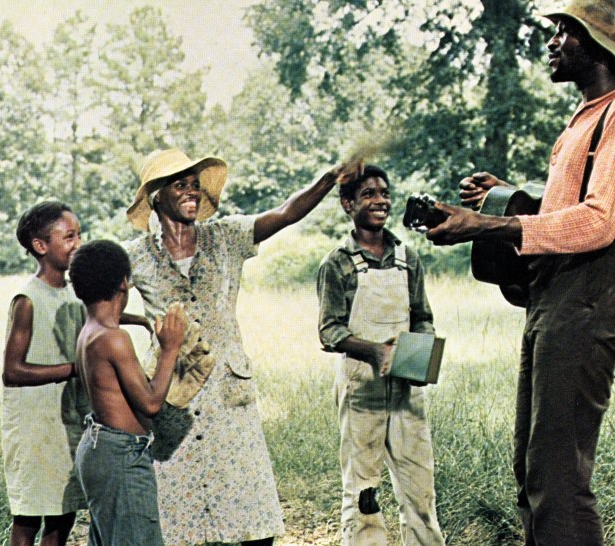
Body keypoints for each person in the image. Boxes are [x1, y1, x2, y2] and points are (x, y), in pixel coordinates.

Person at [425, 2, 615, 544]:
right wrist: (513, 198)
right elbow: (568, 207)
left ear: (598, 44)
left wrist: (486, 225)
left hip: (585, 306)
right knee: (533, 472)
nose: (553, 41)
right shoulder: (585, 117)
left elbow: (600, 221)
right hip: (550, 302)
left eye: (566, 31)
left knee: (558, 477)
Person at [123, 147, 347, 546]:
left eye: (195, 185)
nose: (191, 192)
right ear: (157, 197)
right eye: (180, 185)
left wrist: (329, 179)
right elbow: (94, 302)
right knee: (178, 519)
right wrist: (144, 323)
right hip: (173, 397)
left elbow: (285, 213)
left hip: (229, 392)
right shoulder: (135, 256)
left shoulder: (225, 237)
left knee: (250, 511)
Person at [316, 164, 445, 546]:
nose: (380, 201)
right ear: (347, 204)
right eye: (369, 194)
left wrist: (420, 357)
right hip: (361, 388)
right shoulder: (337, 263)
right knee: (363, 490)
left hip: (406, 388)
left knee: (419, 485)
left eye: (385, 193)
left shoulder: (408, 258)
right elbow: (329, 331)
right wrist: (373, 352)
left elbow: (422, 318)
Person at [69, 239, 187, 546]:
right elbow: (149, 404)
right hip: (121, 454)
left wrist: (141, 320)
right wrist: (170, 349)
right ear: (125, 282)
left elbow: (109, 315)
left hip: (98, 448)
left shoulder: (90, 330)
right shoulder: (114, 339)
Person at [1, 201, 87, 546]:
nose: (78, 244)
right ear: (41, 246)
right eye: (69, 237)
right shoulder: (28, 299)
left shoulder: (75, 294)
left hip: (67, 419)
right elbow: (13, 370)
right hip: (34, 424)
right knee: (28, 517)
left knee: (63, 512)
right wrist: (73, 369)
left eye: (80, 235)